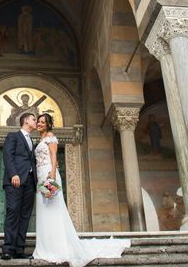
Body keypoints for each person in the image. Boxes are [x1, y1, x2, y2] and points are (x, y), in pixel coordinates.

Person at [33, 113, 130, 267]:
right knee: (44, 210)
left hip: (48, 174)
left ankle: (56, 248)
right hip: (40, 174)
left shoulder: (51, 137)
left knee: (53, 210)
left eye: (42, 122)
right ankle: (46, 246)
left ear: (48, 125)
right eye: (38, 121)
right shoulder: (40, 139)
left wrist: (51, 174)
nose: (39, 123)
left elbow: (53, 156)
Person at [1, 112, 37, 260]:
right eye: (34, 119)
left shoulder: (32, 141)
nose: (36, 122)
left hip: (30, 182)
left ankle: (19, 249)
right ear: (26, 121)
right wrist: (13, 174)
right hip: (15, 180)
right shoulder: (13, 136)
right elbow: (8, 156)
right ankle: (8, 249)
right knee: (13, 211)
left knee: (25, 215)